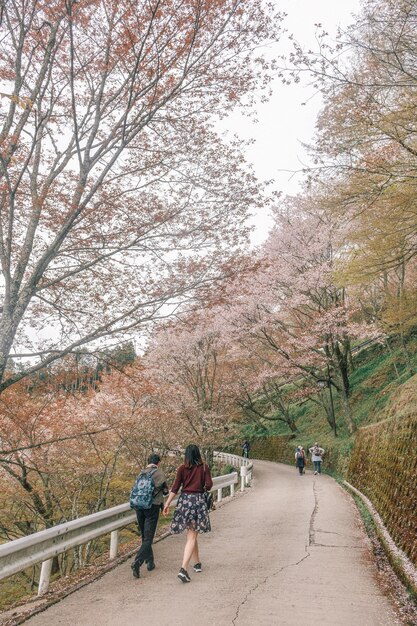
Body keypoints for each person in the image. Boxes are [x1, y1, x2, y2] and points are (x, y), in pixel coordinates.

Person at [163, 444, 213, 583]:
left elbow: (175, 487)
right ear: (198, 454)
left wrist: (167, 504)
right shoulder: (204, 467)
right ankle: (183, 569)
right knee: (192, 536)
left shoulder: (182, 468)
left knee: (192, 533)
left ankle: (197, 563)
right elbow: (209, 485)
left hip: (184, 502)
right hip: (197, 501)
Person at [131, 453, 168, 579]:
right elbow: (166, 491)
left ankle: (150, 562)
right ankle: (138, 562)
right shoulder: (159, 473)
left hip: (138, 506)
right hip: (152, 507)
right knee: (148, 538)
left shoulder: (141, 473)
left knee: (145, 536)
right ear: (158, 463)